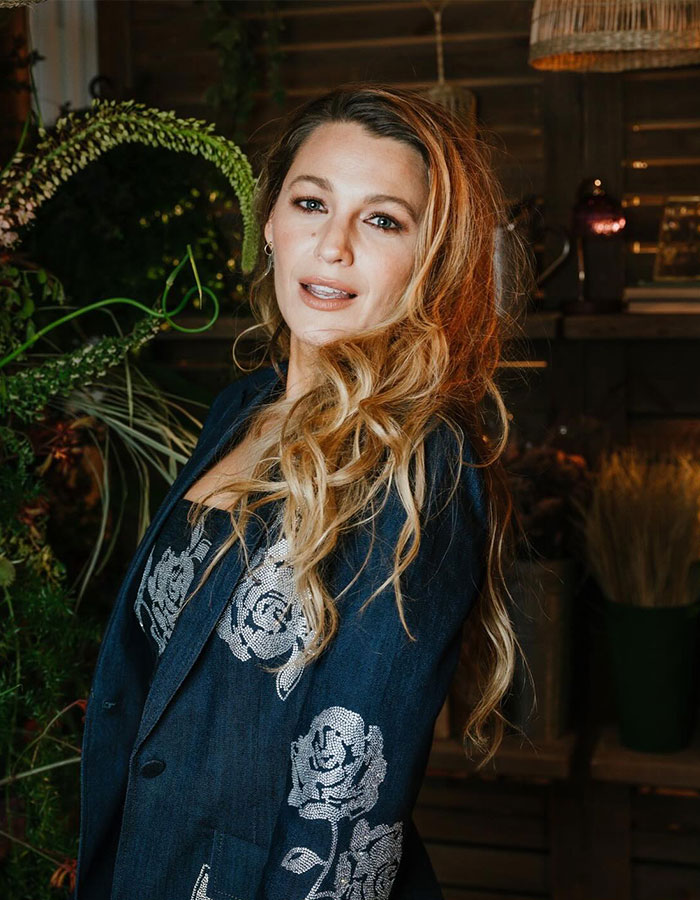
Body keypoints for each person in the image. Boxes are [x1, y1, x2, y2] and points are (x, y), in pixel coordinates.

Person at [75, 82, 528, 900]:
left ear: (431, 260)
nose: (334, 246)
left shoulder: (423, 466)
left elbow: (346, 813)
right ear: (271, 226)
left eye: (383, 219)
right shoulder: (241, 409)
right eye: (312, 203)